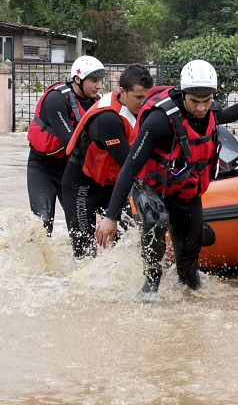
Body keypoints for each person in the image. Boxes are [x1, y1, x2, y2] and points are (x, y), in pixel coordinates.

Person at [94, 60, 220, 295]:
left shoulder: (212, 113)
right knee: (156, 221)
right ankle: (150, 285)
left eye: (207, 101)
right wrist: (111, 217)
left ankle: (189, 306)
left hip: (185, 191)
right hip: (151, 188)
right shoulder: (159, 120)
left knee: (190, 269)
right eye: (195, 101)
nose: (202, 108)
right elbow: (129, 168)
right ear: (184, 95)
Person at [61, 64, 154, 258]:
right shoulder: (108, 119)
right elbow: (131, 166)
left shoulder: (142, 108)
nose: (143, 102)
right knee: (85, 249)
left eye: (147, 97)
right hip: (82, 184)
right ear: (122, 92)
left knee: (124, 242)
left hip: (111, 183)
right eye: (138, 97)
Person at [26, 55, 105, 235]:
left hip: (71, 169)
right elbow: (71, 142)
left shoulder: (97, 103)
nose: (98, 86)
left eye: (100, 81)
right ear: (78, 79)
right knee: (43, 221)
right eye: (94, 81)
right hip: (42, 167)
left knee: (81, 229)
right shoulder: (56, 99)